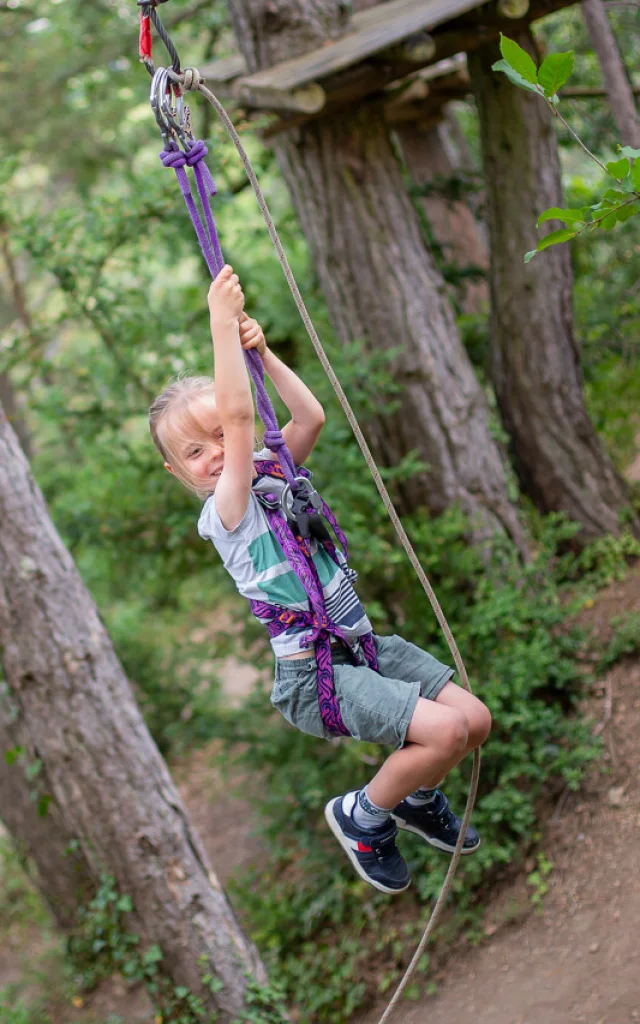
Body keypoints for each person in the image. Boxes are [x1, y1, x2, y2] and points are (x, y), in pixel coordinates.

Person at [149, 265, 491, 895]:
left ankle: (411, 799)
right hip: (317, 675)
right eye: (196, 451)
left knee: (474, 720)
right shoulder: (229, 513)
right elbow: (242, 416)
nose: (219, 450)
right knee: (444, 730)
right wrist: (220, 328)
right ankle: (362, 817)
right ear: (180, 473)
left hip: (361, 648)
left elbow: (309, 417)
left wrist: (263, 354)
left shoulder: (272, 476)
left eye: (220, 437)